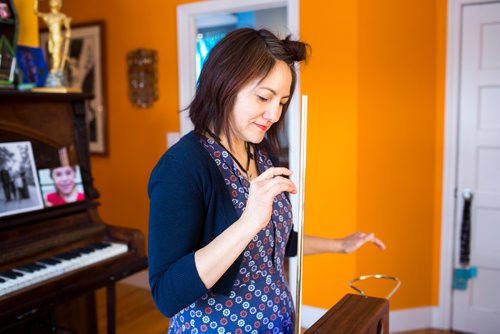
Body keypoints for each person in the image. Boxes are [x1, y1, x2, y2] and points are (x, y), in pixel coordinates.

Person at [148, 28, 386, 333]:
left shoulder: (257, 151)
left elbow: (273, 242)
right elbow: (167, 294)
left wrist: (340, 245)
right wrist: (247, 223)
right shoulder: (181, 168)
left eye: (283, 101)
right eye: (264, 97)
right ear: (224, 84)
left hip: (278, 322)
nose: (274, 114)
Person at [34, 0, 71, 87]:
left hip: (57, 36)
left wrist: (68, 32)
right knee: (52, 53)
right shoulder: (49, 16)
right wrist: (35, 2)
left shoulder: (61, 16)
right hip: (51, 37)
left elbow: (67, 27)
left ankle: (55, 69)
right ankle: (54, 70)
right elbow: (36, 12)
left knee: (56, 53)